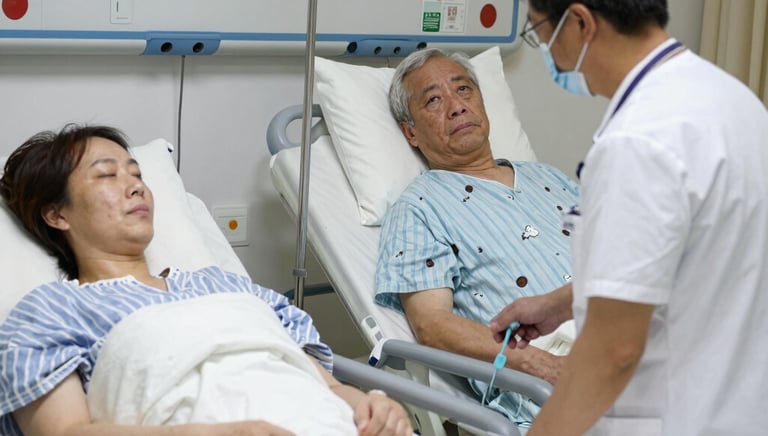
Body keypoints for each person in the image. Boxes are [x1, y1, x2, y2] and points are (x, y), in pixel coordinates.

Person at [0, 124, 413, 436]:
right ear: (57, 215)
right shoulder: (50, 312)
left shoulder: (228, 287)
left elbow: (321, 384)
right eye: (108, 176)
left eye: (137, 174)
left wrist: (370, 405)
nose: (136, 188)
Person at [489, 1, 768, 435]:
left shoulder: (637, 143)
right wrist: (559, 304)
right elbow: (695, 256)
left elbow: (613, 351)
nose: (543, 46)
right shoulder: (733, 100)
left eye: (539, 30)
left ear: (580, 22)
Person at [374, 47, 579, 425]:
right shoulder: (420, 208)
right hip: (554, 366)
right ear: (411, 132)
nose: (456, 106)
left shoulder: (551, 178)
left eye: (464, 89)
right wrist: (538, 363)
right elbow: (432, 324)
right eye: (434, 100)